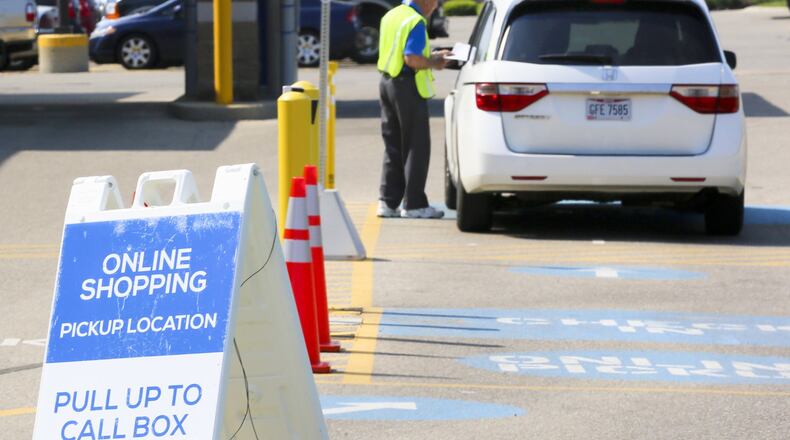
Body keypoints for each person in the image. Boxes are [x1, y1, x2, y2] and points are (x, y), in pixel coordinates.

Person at [376, 0, 450, 219]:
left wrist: (430, 54)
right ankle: (414, 204)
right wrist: (434, 61)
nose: (435, 6)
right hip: (407, 87)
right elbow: (412, 58)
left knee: (393, 145)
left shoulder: (392, 15)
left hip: (387, 82)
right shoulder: (416, 21)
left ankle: (387, 202)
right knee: (416, 146)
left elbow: (400, 50)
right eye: (435, 1)